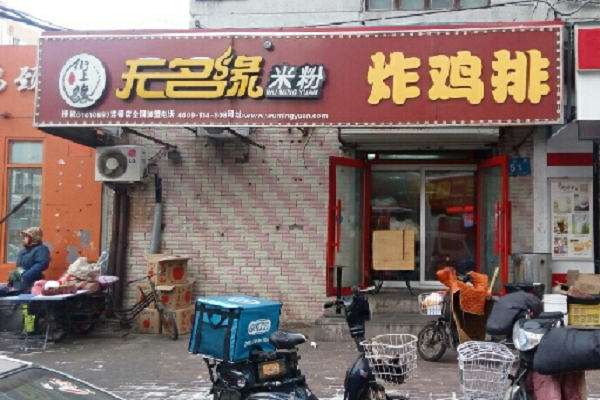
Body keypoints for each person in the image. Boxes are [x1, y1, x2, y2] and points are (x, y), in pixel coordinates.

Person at [9, 227, 50, 291]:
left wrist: (26, 276)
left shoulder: (41, 249)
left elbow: (41, 264)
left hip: (31, 283)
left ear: (33, 238)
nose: (23, 239)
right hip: (18, 284)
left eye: (26, 237)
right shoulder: (23, 250)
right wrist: (11, 280)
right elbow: (20, 267)